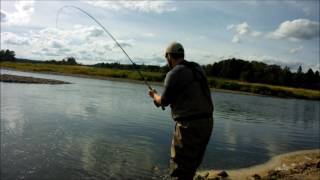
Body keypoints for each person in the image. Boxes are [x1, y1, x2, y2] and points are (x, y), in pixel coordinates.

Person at [148, 42, 214, 180]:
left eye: (167, 58)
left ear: (169, 57)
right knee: (191, 165)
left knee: (179, 166)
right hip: (207, 123)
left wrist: (154, 95)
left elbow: (163, 101)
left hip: (188, 126)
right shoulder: (197, 68)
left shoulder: (174, 73)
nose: (167, 62)